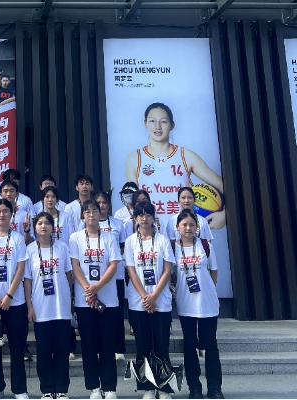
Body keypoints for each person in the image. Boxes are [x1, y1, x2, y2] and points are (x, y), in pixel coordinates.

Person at [124, 102, 225, 229]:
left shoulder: (186, 156)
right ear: (145, 124)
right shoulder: (134, 158)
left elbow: (222, 184)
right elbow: (131, 202)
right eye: (152, 121)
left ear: (172, 125)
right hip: (151, 233)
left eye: (163, 121)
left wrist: (225, 214)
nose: (158, 126)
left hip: (184, 232)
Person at [69, 199, 122, 399]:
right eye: (87, 211)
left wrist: (97, 287)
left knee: (107, 343)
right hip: (85, 300)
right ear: (82, 215)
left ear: (100, 214)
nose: (91, 215)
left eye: (95, 211)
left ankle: (109, 388)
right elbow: (75, 266)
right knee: (89, 345)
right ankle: (94, 387)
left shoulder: (109, 237)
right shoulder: (75, 238)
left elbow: (113, 265)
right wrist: (88, 289)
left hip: (108, 299)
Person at [124, 201, 175, 399]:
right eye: (140, 214)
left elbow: (167, 271)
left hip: (161, 301)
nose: (144, 218)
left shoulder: (162, 240)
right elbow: (131, 271)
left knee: (162, 345)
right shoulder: (130, 241)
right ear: (135, 218)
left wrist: (154, 296)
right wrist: (146, 298)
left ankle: (164, 388)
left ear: (153, 217)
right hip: (138, 303)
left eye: (148, 214)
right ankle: (147, 388)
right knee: (143, 347)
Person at [172, 210, 224, 399]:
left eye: (191, 225)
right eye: (184, 224)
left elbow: (214, 271)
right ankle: (194, 388)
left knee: (210, 346)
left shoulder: (205, 245)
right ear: (178, 227)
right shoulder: (172, 247)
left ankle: (215, 388)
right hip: (186, 304)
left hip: (207, 304)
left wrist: (208, 291)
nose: (188, 228)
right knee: (189, 346)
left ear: (197, 227)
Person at [0, 199, 29, 399]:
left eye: (6, 211)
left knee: (17, 346)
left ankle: (19, 389)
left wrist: (9, 295)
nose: (2, 215)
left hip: (15, 301)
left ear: (12, 214)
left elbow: (20, 268)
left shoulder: (17, 238)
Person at [24, 212, 73, 399]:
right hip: (40, 307)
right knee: (43, 351)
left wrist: (71, 299)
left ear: (53, 227)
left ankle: (61, 389)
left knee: (62, 350)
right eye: (39, 223)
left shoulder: (62, 247)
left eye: (47, 223)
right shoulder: (30, 249)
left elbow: (69, 275)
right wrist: (29, 306)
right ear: (35, 227)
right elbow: (27, 280)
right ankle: (46, 389)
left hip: (61, 307)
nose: (43, 226)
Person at [93, 191, 127, 359]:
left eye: (104, 202)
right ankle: (99, 347)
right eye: (98, 203)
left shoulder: (117, 223)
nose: (102, 206)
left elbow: (122, 246)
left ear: (109, 204)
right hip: (94, 277)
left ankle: (119, 347)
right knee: (97, 312)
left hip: (115, 274)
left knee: (116, 312)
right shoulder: (88, 224)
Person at [0, 180, 33, 245]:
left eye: (11, 191)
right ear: (1, 194)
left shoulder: (25, 215)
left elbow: (30, 243)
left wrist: (27, 231)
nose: (8, 194)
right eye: (5, 191)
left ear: (16, 194)